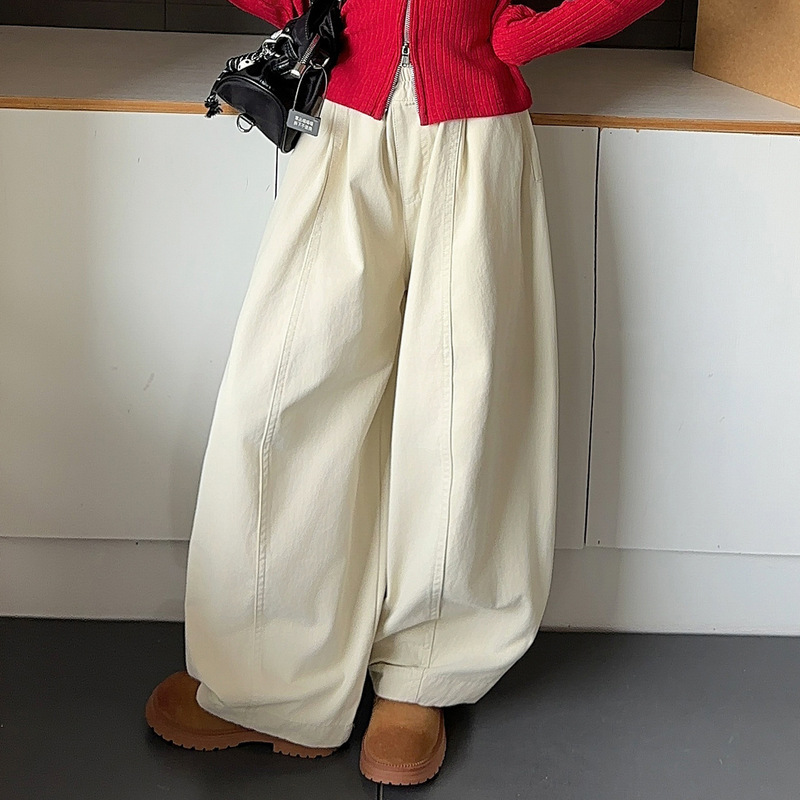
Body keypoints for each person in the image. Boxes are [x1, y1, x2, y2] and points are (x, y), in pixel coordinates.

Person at [145, 0, 665, 786]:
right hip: (342, 117)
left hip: (476, 126)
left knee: (462, 409)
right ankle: (265, 673)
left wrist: (527, 33)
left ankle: (426, 673)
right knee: (284, 392)